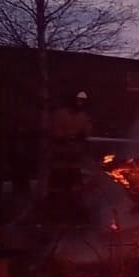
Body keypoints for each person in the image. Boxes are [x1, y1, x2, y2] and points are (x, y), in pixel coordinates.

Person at [48, 91, 93, 222]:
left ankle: (74, 215)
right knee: (58, 189)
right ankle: (55, 216)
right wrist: (70, 137)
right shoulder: (60, 114)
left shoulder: (83, 116)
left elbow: (87, 133)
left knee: (75, 189)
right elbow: (56, 134)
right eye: (78, 100)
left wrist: (83, 136)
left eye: (82, 101)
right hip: (60, 159)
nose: (80, 103)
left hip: (74, 159)